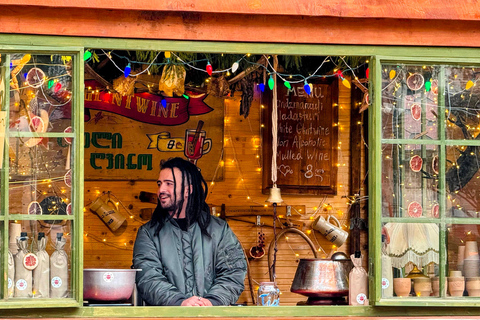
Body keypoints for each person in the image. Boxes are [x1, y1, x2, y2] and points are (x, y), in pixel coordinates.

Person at [133, 157, 247, 306]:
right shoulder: (148, 233)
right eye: (160, 184)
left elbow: (233, 272)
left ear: (188, 190)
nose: (161, 190)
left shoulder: (219, 230)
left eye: (169, 184)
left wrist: (212, 302)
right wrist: (179, 302)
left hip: (211, 317)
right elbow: (148, 278)